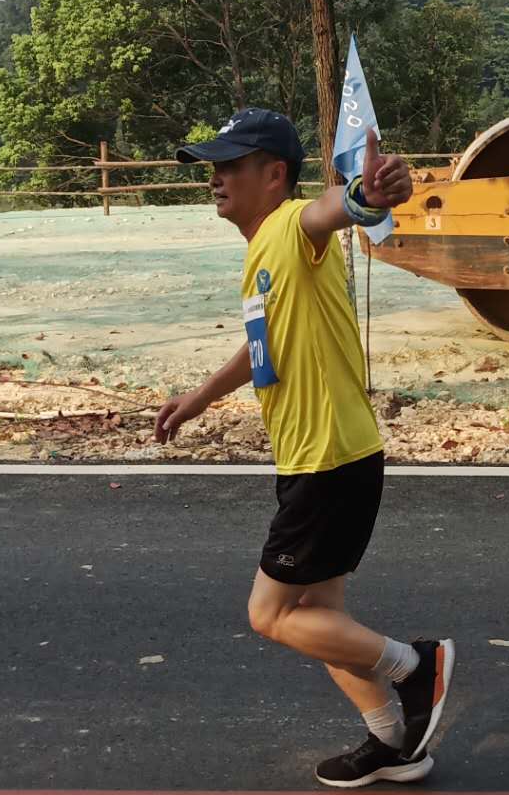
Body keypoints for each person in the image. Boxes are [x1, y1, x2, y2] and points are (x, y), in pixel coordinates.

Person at [155, 108, 457, 788]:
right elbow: (262, 346)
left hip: (330, 461)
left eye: (230, 166)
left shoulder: (291, 226)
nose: (216, 179)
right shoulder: (263, 253)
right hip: (321, 458)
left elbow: (331, 211)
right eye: (213, 168)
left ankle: (416, 667)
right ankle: (393, 742)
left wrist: (365, 196)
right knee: (318, 618)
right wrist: (198, 398)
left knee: (271, 615)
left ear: (274, 175)